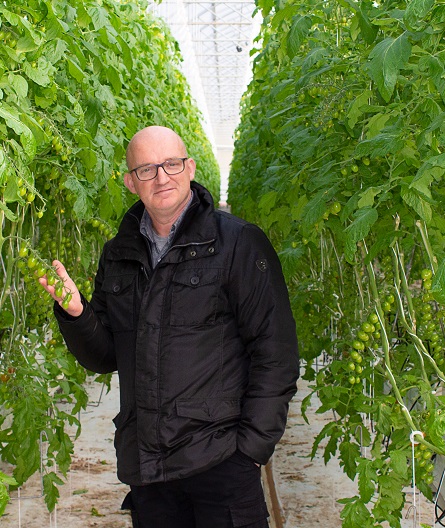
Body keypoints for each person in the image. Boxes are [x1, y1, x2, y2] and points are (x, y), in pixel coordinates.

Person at [39, 125, 299, 527]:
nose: (161, 177)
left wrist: (250, 451)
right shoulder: (118, 254)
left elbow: (275, 353)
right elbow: (106, 355)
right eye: (146, 169)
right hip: (149, 471)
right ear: (130, 182)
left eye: (171, 164)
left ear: (190, 168)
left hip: (222, 464)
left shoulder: (238, 244)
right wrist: (77, 314)